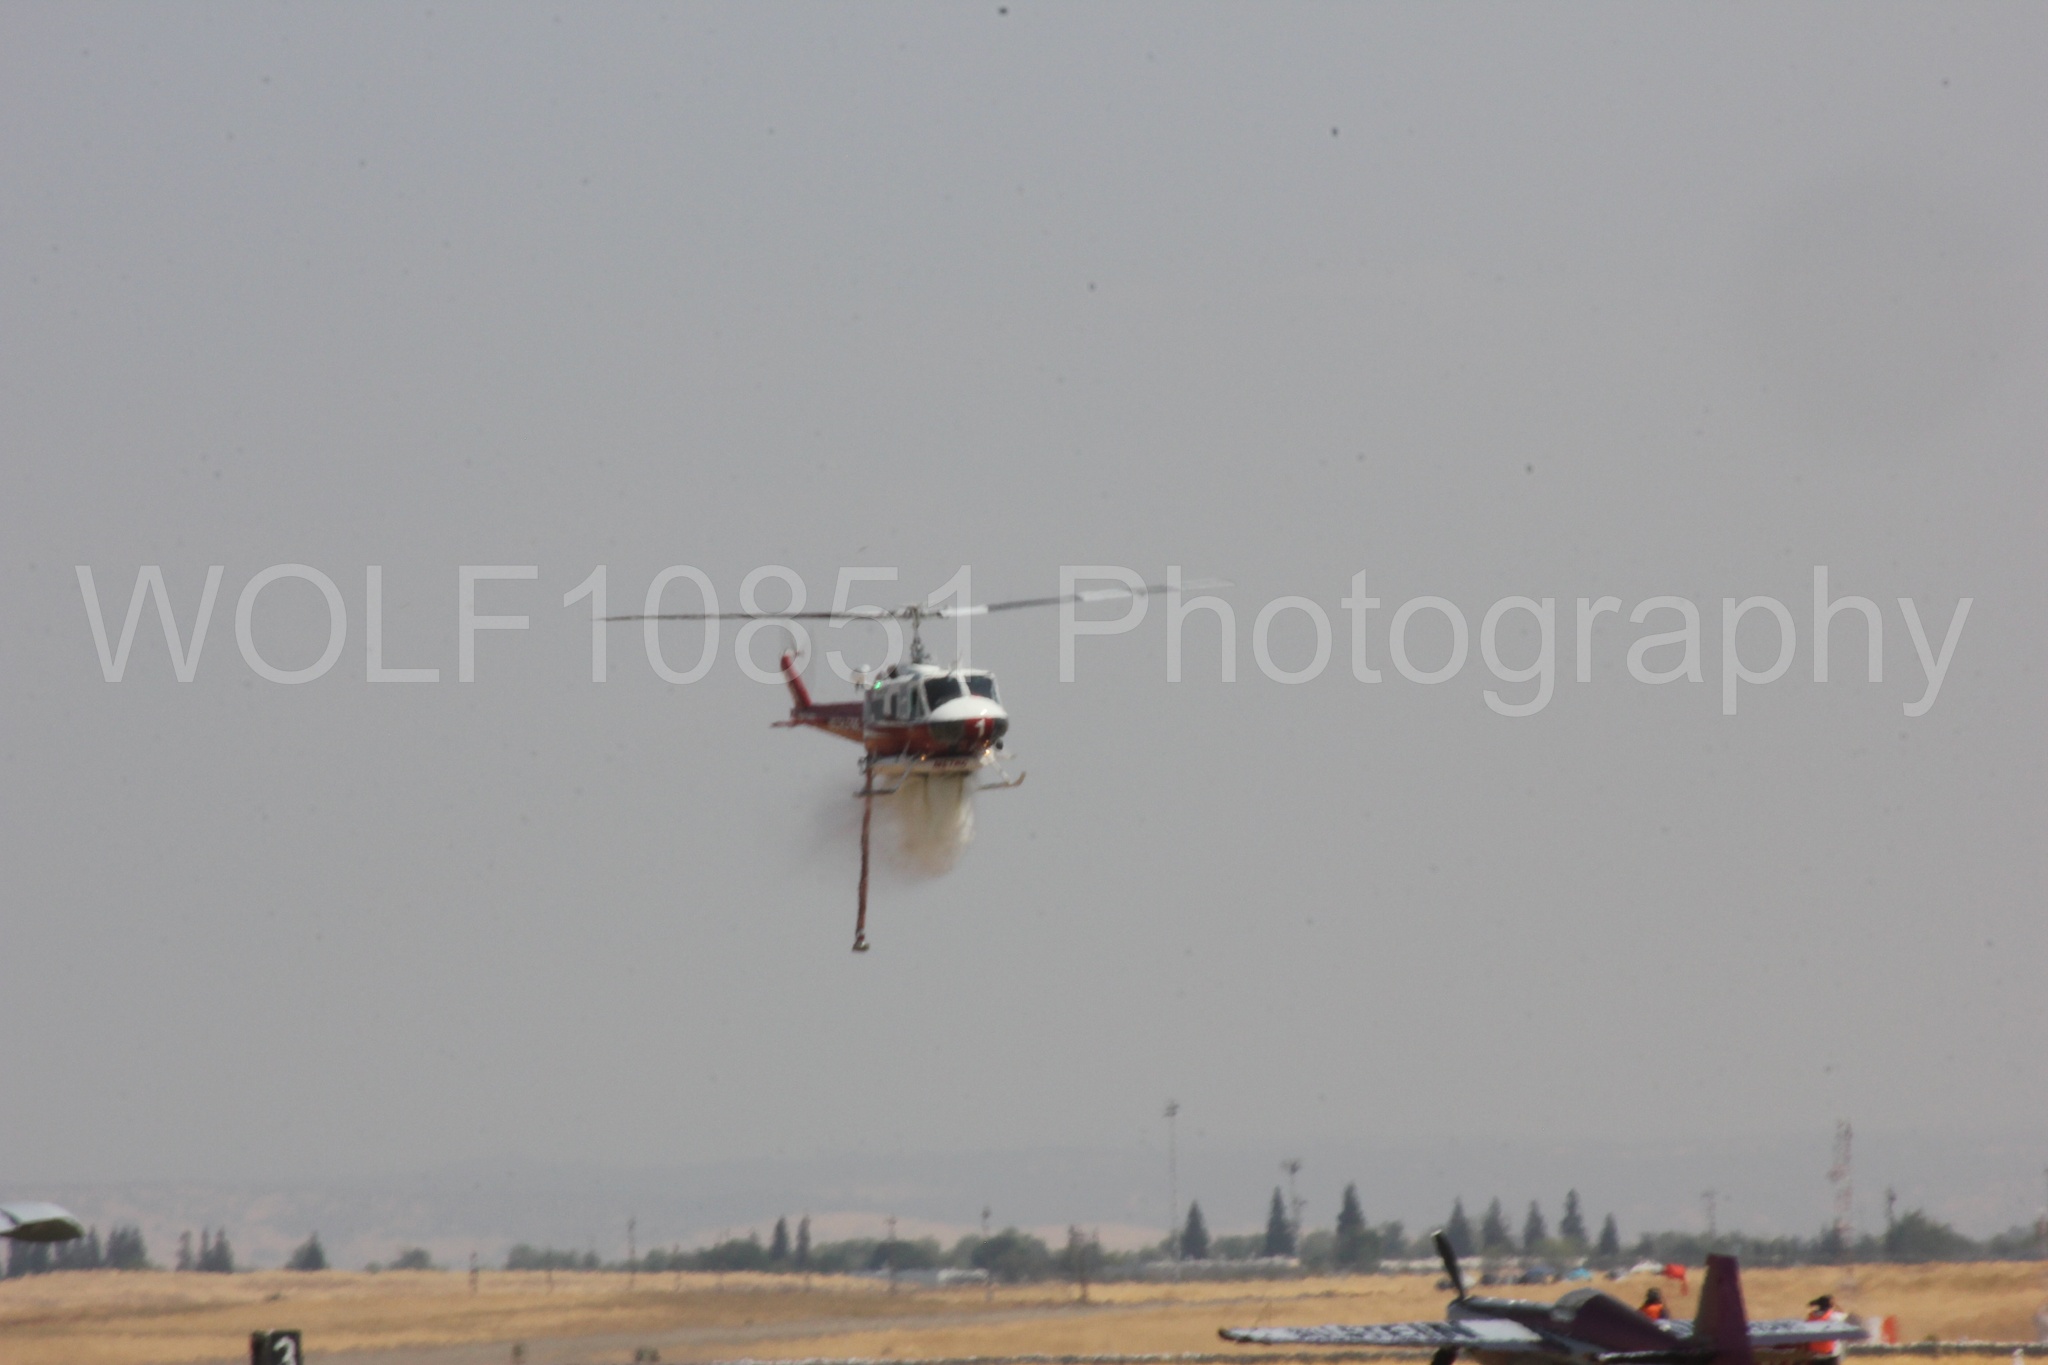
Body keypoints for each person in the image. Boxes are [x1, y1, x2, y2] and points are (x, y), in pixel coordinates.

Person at [1806, 1294, 1849, 1362]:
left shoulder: (1811, 1316)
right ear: (1831, 1305)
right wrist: (1836, 1306)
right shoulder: (1833, 1316)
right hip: (1830, 1353)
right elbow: (1845, 1315)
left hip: (1815, 1353)